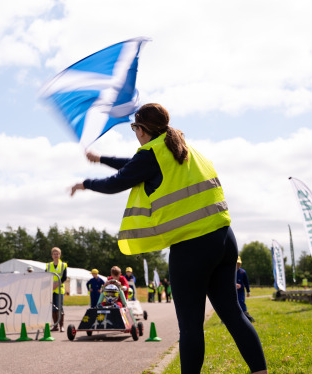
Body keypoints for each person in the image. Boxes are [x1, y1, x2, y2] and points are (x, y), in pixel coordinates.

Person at [69, 103, 267, 373]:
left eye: (133, 128)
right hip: (224, 239)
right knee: (234, 314)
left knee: (191, 327)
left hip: (191, 247)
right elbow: (135, 165)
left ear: (141, 129)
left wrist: (86, 184)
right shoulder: (183, 148)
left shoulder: (151, 155)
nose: (134, 133)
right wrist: (101, 159)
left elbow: (119, 180)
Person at [46, 247, 67, 332]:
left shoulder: (63, 265)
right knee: (53, 308)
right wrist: (51, 286)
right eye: (54, 254)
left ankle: (61, 326)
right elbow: (46, 277)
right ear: (52, 255)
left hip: (59, 289)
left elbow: (64, 277)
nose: (56, 255)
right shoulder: (48, 265)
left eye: (57, 254)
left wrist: (57, 284)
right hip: (51, 290)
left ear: (60, 255)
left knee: (59, 308)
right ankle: (55, 326)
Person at [236, 257, 255, 323]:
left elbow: (246, 282)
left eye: (239, 263)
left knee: (241, 302)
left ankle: (246, 316)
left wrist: (248, 291)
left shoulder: (243, 272)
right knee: (232, 304)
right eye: (236, 263)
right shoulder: (230, 272)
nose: (238, 265)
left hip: (241, 292)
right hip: (232, 292)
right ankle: (226, 319)